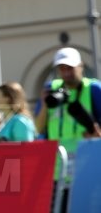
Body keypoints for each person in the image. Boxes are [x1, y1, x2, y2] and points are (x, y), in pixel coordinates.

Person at [35, 47, 101, 182]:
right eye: (62, 68)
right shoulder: (50, 89)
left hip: (87, 163)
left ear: (80, 66)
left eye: (70, 68)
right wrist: (45, 105)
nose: (66, 73)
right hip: (57, 168)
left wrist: (97, 134)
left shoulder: (94, 89)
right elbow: (38, 128)